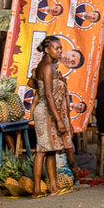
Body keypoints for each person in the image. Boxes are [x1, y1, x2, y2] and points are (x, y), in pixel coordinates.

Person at [30, 35, 71, 196]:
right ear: (47, 50)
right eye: (56, 48)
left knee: (51, 150)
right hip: (46, 112)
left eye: (61, 48)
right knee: (41, 150)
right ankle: (36, 189)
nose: (59, 51)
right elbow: (48, 94)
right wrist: (59, 119)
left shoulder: (50, 66)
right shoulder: (47, 67)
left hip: (49, 112)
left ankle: (54, 187)